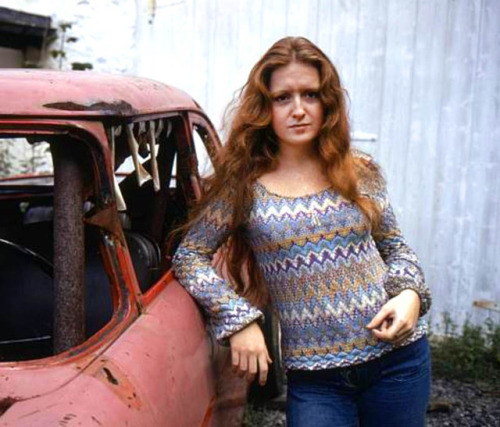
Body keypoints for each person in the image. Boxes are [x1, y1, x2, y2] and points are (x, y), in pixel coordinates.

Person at [172, 36, 432, 427]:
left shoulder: (359, 171)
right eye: (282, 98)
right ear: (265, 107)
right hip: (316, 381)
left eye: (310, 94)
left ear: (327, 101)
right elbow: (189, 256)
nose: (298, 110)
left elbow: (395, 248)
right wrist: (238, 319)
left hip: (398, 360)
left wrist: (411, 294)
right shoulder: (243, 186)